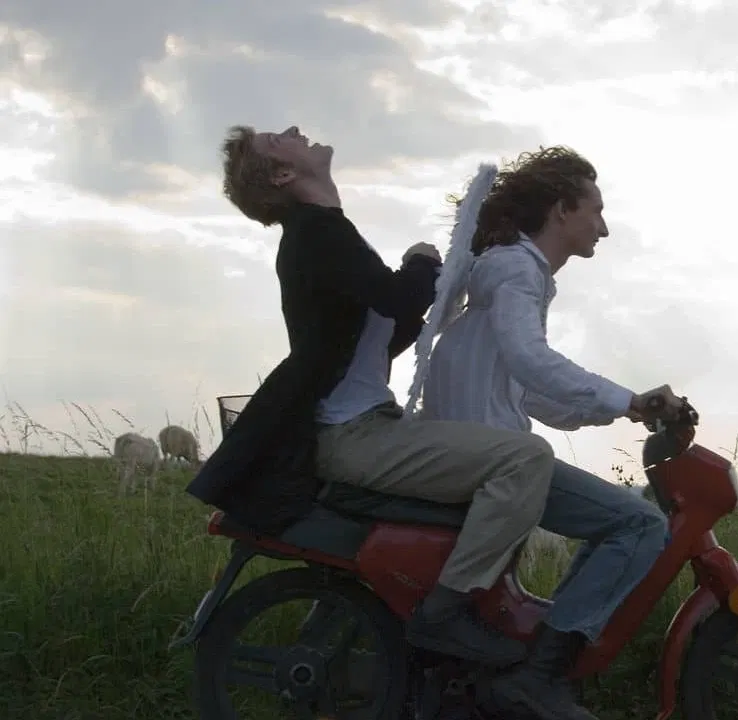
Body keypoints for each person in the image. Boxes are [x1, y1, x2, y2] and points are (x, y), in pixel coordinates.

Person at [186, 124, 555, 669]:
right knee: (525, 458)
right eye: (278, 139)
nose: (294, 131)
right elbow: (397, 297)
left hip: (363, 423)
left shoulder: (323, 233)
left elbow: (383, 329)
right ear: (283, 173)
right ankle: (445, 613)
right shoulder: (318, 233)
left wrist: (433, 276)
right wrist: (422, 261)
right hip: (354, 432)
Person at [408, 146, 678, 720]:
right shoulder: (517, 271)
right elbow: (530, 360)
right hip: (493, 459)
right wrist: (626, 399)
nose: (603, 227)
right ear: (561, 210)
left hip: (477, 449)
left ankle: (540, 651)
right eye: (595, 210)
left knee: (619, 521)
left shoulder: (504, 272)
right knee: (640, 524)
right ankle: (540, 676)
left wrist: (621, 409)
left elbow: (527, 391)